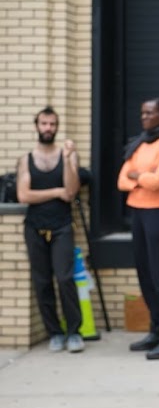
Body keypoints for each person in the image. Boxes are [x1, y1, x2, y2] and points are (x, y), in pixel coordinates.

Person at [118, 97, 159, 360]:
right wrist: (140, 178)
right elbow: (122, 180)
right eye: (142, 113)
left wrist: (138, 176)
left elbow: (158, 182)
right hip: (138, 210)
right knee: (144, 273)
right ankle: (157, 329)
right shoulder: (140, 142)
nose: (144, 117)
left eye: (150, 113)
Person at [17, 106, 84, 353]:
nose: (48, 128)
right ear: (37, 125)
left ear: (57, 127)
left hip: (62, 227)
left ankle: (74, 332)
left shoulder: (68, 156)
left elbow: (71, 191)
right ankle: (54, 332)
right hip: (34, 227)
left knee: (65, 279)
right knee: (42, 281)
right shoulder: (26, 160)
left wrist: (67, 159)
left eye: (52, 124)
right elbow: (24, 195)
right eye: (44, 124)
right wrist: (56, 192)